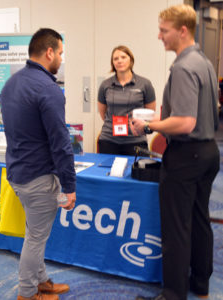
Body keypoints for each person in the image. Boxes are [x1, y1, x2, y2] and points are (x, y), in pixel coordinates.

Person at [130, 4, 220, 300]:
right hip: (209, 152)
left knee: (176, 228)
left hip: (186, 156)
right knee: (199, 220)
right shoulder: (205, 62)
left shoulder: (183, 67)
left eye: (164, 30)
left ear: (182, 31)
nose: (159, 36)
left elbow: (185, 121)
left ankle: (173, 294)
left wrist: (147, 126)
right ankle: (200, 285)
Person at [1, 28, 76, 300]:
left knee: (35, 233)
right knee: (35, 239)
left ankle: (42, 281)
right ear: (49, 52)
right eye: (61, 53)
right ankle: (27, 293)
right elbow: (61, 143)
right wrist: (69, 186)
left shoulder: (11, 84)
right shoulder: (49, 89)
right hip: (39, 178)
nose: (61, 59)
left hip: (17, 174)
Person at [97, 45, 156, 156]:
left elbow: (150, 114)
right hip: (109, 140)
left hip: (136, 140)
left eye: (123, 57)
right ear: (112, 63)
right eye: (116, 58)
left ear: (131, 60)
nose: (119, 61)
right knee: (107, 173)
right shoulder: (105, 85)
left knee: (137, 173)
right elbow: (103, 114)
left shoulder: (144, 84)